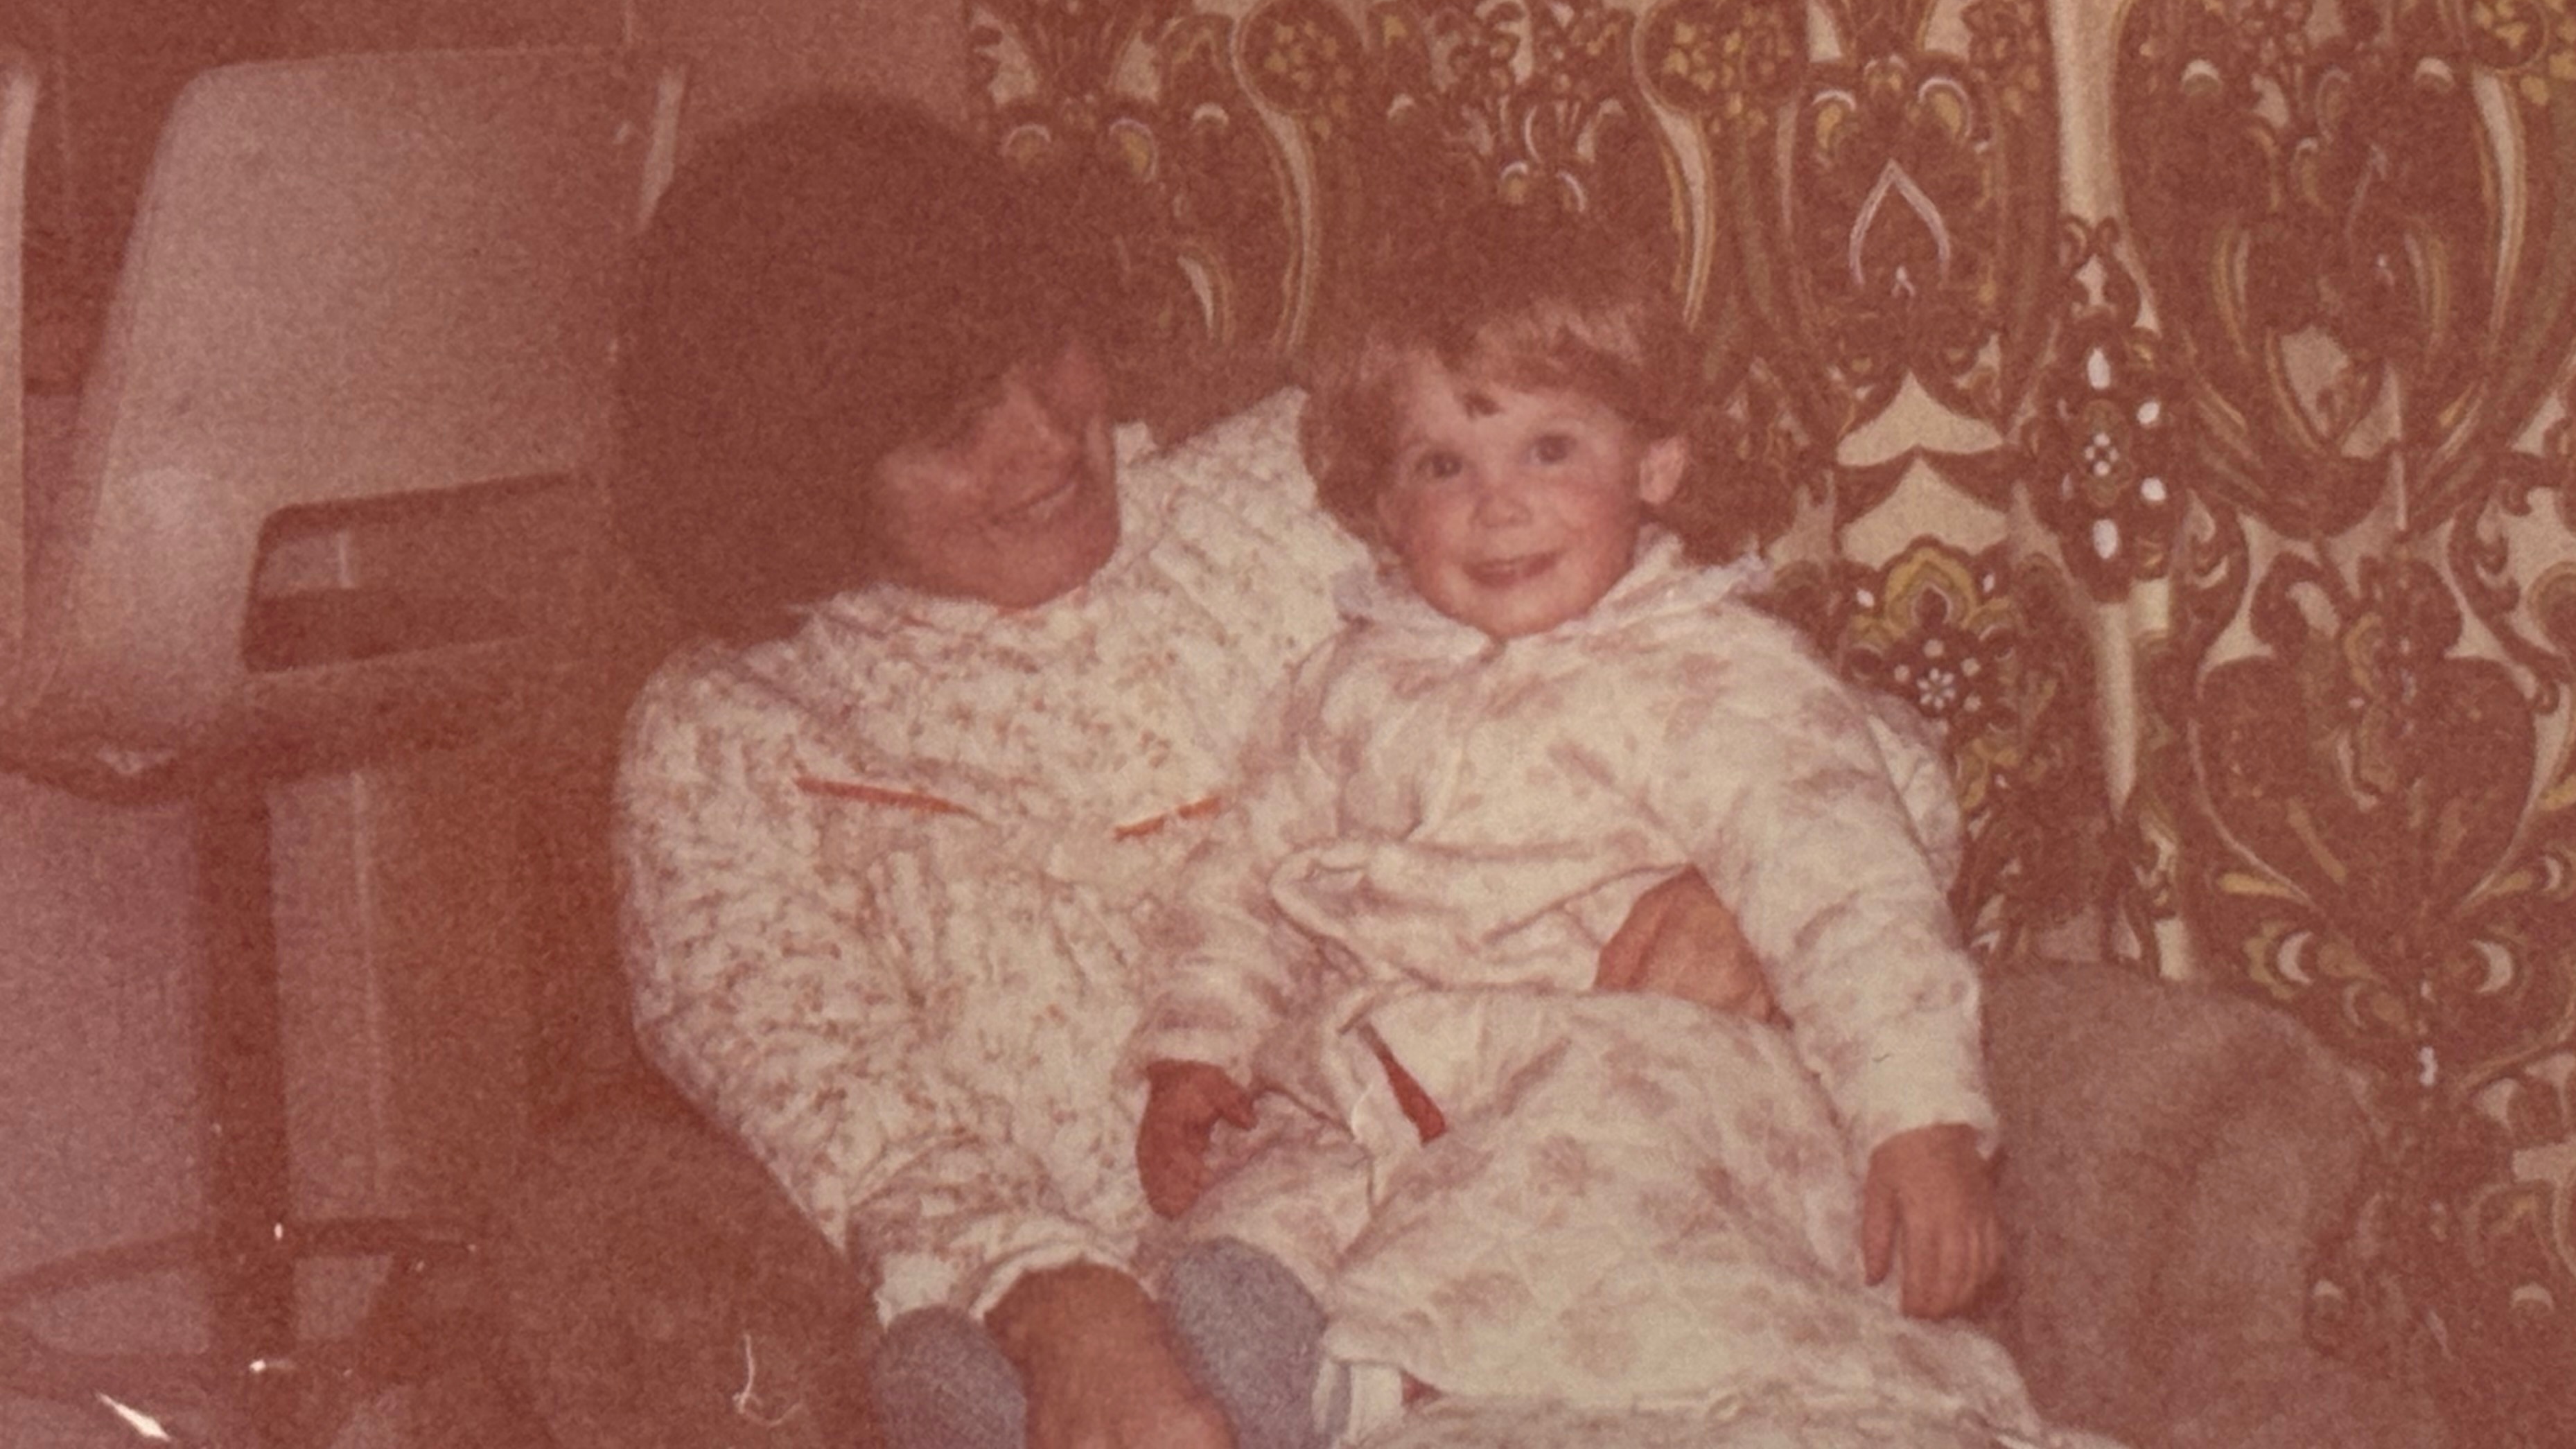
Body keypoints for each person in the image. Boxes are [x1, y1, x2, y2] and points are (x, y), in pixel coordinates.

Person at [608, 97, 1794, 1449]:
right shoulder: (728, 744)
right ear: (811, 474)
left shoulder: (1291, 498)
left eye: (1040, 353)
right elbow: (840, 1101)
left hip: (1525, 1191)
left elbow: (1743, 687)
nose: (1048, 442)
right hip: (1140, 1313)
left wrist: (1742, 880)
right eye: (952, 425)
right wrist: (1055, 1303)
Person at [1130, 209, 2053, 1437]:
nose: (1496, 507)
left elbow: (1848, 890)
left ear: (1654, 468)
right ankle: (1242, 1360)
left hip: (1645, 1076)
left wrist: (1920, 1118)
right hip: (1408, 1087)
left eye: (1548, 449)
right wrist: (1198, 1043)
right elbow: (1243, 876)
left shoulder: (1718, 672)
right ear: (1384, 511)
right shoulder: (1348, 686)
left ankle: (1395, 1368)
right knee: (1284, 1193)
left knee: (1588, 1117)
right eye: (1442, 466)